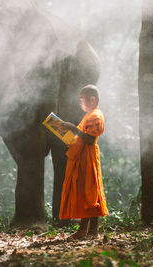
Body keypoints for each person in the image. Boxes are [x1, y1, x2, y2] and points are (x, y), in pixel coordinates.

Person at [59, 84, 109, 239]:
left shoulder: (95, 116)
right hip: (83, 156)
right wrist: (68, 135)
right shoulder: (90, 115)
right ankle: (90, 231)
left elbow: (89, 139)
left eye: (82, 99)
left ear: (92, 100)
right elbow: (82, 138)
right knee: (88, 192)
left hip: (88, 157)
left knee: (89, 192)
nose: (80, 103)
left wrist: (73, 128)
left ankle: (87, 230)